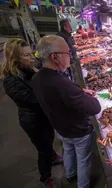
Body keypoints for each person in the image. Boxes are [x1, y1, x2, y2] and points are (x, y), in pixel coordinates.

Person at [32, 35, 101, 188]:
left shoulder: (37, 78)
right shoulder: (62, 83)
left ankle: (69, 174)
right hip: (78, 131)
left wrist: (78, 92)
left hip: (60, 128)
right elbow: (95, 108)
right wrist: (83, 95)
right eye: (67, 53)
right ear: (54, 57)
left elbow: (57, 96)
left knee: (68, 150)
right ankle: (83, 185)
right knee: (83, 160)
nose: (70, 56)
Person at [0, 38, 62, 188]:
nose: (32, 58)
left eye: (31, 53)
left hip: (43, 115)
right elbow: (35, 100)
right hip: (33, 121)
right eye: (27, 56)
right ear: (15, 59)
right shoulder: (11, 81)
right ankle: (45, 177)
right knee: (43, 149)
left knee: (49, 138)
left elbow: (43, 66)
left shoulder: (29, 68)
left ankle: (53, 157)